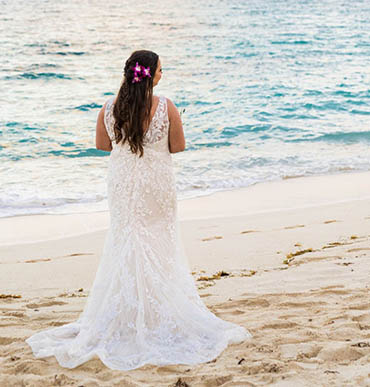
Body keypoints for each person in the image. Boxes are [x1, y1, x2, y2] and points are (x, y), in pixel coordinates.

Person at [25, 49, 251, 370]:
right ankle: (156, 313)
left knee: (126, 241)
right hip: (156, 184)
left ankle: (128, 313)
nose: (163, 74)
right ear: (149, 74)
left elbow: (102, 146)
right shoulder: (166, 106)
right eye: (160, 69)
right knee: (158, 245)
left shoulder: (109, 107)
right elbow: (179, 146)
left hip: (123, 184)